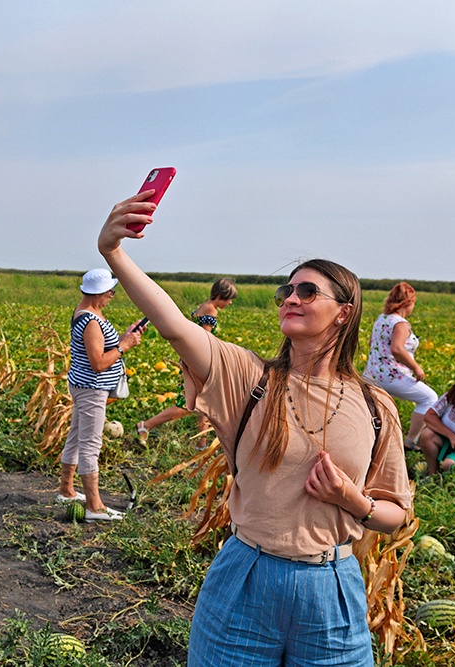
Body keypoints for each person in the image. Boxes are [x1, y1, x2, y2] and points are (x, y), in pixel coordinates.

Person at [96, 191, 411, 666]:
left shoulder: (375, 406)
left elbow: (395, 514)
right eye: (287, 290)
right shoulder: (249, 377)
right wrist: (114, 253)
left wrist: (353, 500)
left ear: (344, 312)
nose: (292, 298)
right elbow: (176, 327)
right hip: (247, 578)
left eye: (308, 292)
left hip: (332, 589)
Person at [56, 268, 145, 521]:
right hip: (91, 388)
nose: (112, 297)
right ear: (101, 293)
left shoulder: (86, 313)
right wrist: (124, 346)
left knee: (76, 436)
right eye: (111, 293)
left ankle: (66, 489)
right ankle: (94, 507)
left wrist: (125, 336)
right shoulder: (91, 321)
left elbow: (101, 347)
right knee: (90, 444)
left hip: (83, 385)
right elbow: (98, 362)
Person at [135, 278, 238, 449]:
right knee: (187, 406)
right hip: (198, 360)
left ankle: (201, 443)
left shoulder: (204, 306)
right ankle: (145, 425)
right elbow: (205, 340)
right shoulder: (211, 311)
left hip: (192, 357)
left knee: (206, 402)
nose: (230, 303)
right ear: (221, 295)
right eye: (229, 299)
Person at [363, 282, 438, 450]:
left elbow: (372, 343)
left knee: (375, 409)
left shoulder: (381, 319)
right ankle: (411, 441)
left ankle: (375, 441)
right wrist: (416, 368)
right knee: (429, 399)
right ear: (408, 303)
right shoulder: (401, 323)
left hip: (370, 375)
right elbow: (397, 349)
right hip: (391, 376)